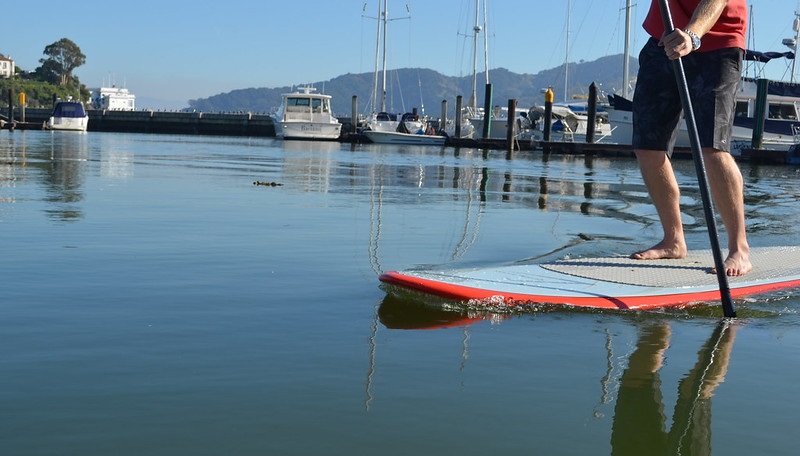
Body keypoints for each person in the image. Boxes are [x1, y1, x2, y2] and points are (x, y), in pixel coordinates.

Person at [630, 0, 752, 276]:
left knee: (712, 147)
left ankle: (738, 249)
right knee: (648, 147)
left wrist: (693, 35)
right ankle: (673, 240)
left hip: (719, 42)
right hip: (663, 39)